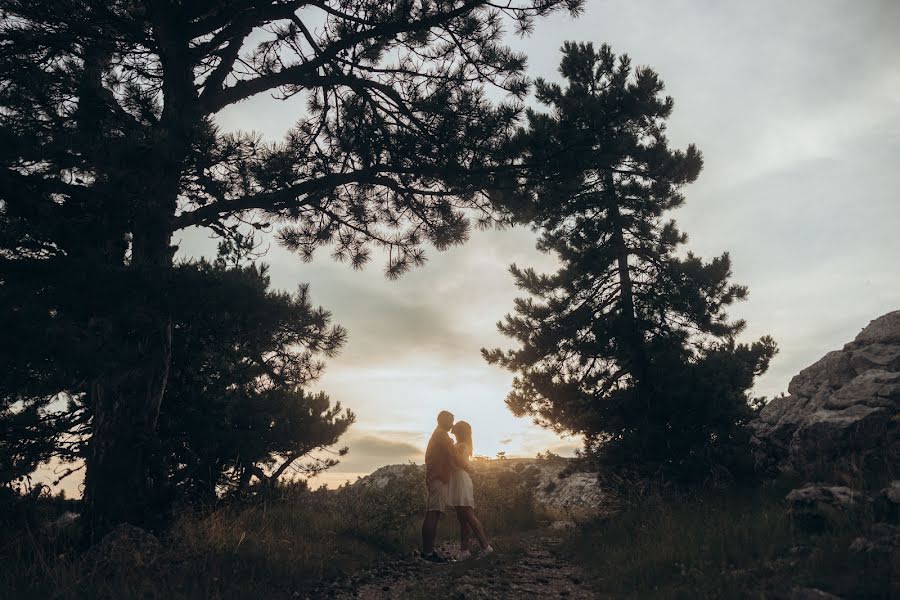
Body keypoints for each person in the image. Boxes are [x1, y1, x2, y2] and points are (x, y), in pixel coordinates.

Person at [448, 420, 493, 560]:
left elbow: (460, 462)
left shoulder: (462, 446)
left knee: (468, 514)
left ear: (460, 432)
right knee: (462, 518)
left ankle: (486, 547)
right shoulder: (460, 445)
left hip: (460, 479)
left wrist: (449, 450)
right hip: (457, 479)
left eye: (455, 430)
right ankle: (464, 551)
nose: (453, 431)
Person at [421, 410, 460, 563]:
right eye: (451, 420)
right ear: (443, 420)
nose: (452, 424)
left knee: (432, 513)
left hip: (435, 477)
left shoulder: (438, 434)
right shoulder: (442, 435)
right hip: (438, 478)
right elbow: (454, 454)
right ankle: (428, 553)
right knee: (433, 513)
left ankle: (427, 551)